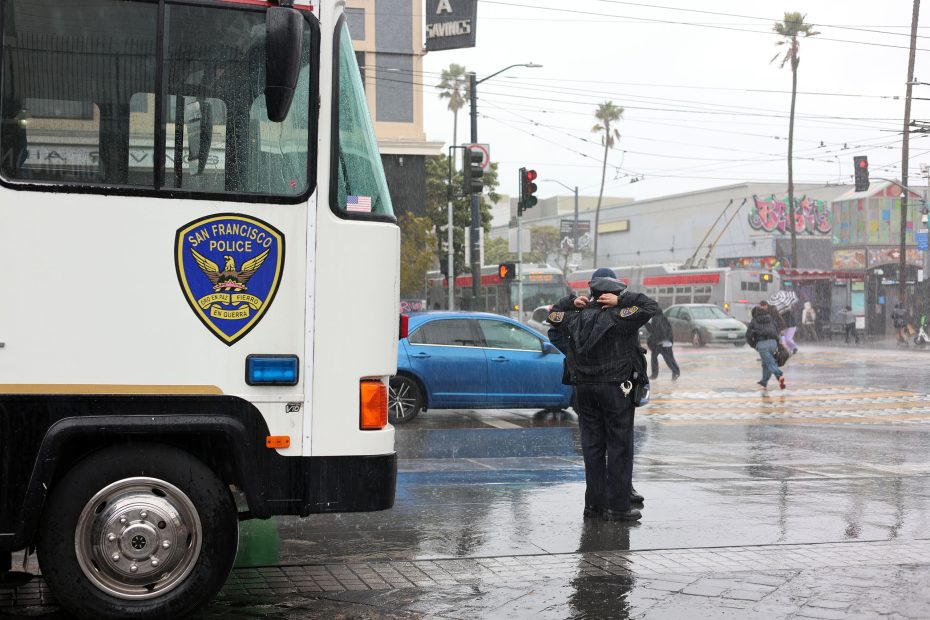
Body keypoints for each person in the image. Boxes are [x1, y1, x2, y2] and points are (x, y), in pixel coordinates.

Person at [548, 267, 657, 522]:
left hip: (584, 388)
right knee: (619, 446)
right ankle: (618, 508)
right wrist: (623, 301)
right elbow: (650, 306)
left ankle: (594, 507)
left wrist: (571, 302)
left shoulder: (574, 316)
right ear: (614, 291)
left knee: (592, 447)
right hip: (615, 388)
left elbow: (552, 316)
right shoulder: (622, 315)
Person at [746, 305, 785, 390]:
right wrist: (777, 343)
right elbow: (776, 330)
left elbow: (748, 335)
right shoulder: (770, 318)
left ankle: (779, 375)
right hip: (773, 343)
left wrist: (753, 345)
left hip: (762, 343)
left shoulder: (754, 321)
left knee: (770, 362)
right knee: (766, 363)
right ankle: (764, 382)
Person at [645, 306, 680, 380]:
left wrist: (646, 324)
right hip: (667, 343)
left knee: (655, 359)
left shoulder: (655, 319)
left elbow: (652, 330)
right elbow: (669, 330)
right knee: (670, 359)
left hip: (659, 344)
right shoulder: (665, 318)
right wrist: (670, 341)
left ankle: (654, 375)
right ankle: (676, 372)